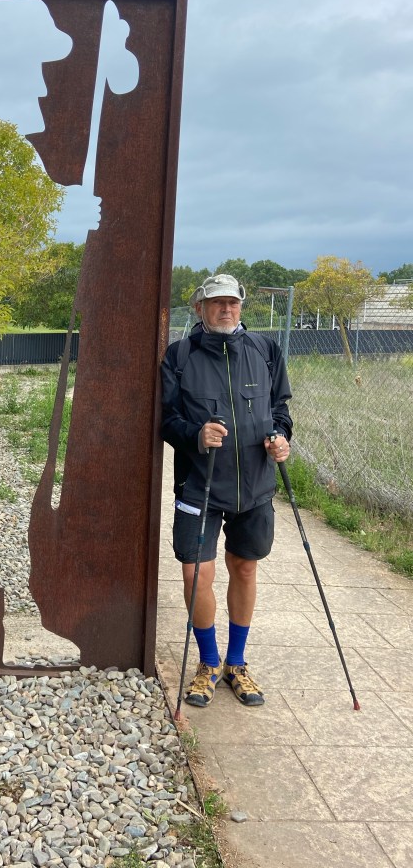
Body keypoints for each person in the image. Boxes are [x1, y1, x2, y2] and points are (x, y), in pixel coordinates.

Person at [161, 273, 293, 707]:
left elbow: (280, 409)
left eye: (233, 302)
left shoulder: (265, 350)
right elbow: (166, 419)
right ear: (199, 307)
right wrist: (196, 434)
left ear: (241, 306)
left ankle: (236, 663)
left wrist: (280, 436)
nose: (226, 309)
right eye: (217, 302)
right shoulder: (180, 356)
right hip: (199, 485)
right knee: (195, 573)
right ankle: (208, 662)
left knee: (245, 567)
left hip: (254, 485)